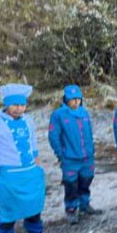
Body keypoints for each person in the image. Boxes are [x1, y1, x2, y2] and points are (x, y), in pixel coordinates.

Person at [0, 83, 57, 233]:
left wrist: (37, 163)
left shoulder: (28, 120)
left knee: (34, 205)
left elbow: (33, 143)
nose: (18, 109)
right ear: (6, 104)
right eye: (15, 105)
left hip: (30, 171)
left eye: (22, 105)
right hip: (10, 174)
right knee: (9, 211)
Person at [48, 84, 99, 224]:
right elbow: (53, 136)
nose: (76, 102)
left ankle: (84, 204)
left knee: (86, 180)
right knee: (71, 184)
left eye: (78, 99)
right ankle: (71, 209)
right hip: (70, 158)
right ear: (66, 99)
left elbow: (89, 132)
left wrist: (91, 150)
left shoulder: (84, 113)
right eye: (72, 99)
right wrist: (61, 154)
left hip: (87, 157)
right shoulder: (58, 115)